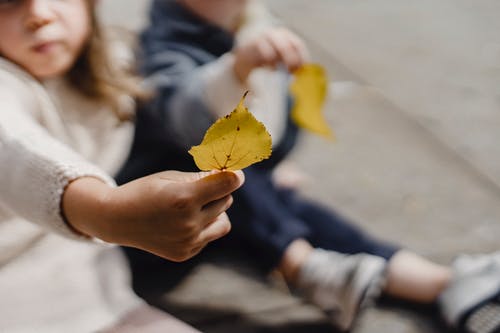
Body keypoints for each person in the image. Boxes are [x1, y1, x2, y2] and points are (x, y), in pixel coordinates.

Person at [117, 0, 500, 332]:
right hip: (144, 232)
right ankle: (303, 266)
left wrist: (272, 166)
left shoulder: (251, 22)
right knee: (224, 172)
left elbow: (274, 126)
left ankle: (440, 283)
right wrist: (237, 70)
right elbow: (185, 113)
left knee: (283, 203)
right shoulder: (163, 44)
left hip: (222, 209)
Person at [0, 0, 245, 332]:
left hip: (101, 293)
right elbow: (15, 150)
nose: (39, 14)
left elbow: (171, 105)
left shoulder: (116, 58)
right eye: (8, 2)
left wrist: (241, 73)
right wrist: (106, 210)